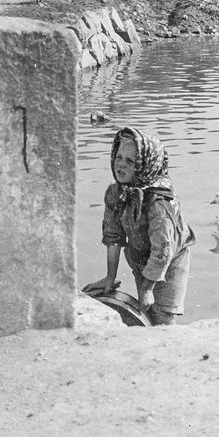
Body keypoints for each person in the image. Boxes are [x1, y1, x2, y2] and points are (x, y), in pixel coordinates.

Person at [84, 127, 195, 325]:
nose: (121, 165)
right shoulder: (116, 192)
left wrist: (147, 288)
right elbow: (113, 236)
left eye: (130, 161)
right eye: (119, 157)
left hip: (170, 260)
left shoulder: (159, 204)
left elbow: (163, 250)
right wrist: (110, 277)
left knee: (162, 316)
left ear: (145, 165)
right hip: (142, 254)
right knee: (146, 312)